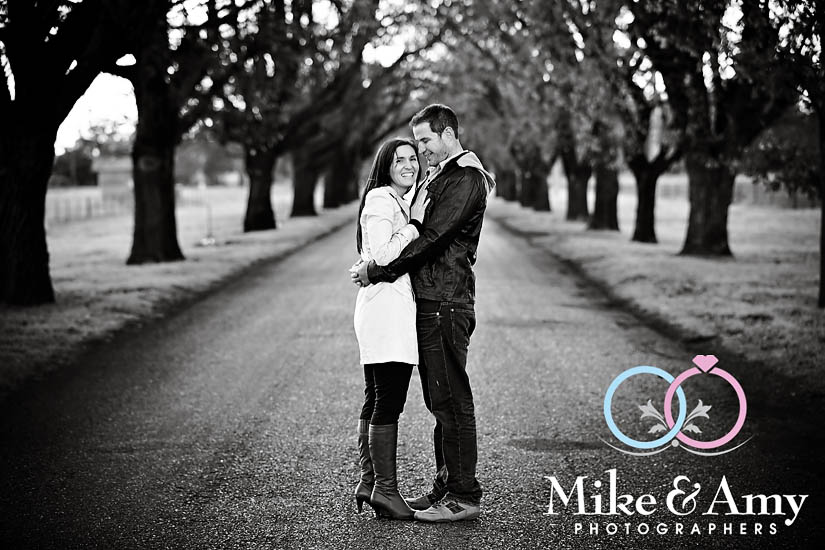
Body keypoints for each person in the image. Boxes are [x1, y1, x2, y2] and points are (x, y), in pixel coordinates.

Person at [351, 104, 495, 522]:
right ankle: (445, 486)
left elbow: (432, 237)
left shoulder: (465, 178)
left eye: (426, 141)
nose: (422, 150)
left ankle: (463, 496)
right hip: (430, 300)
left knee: (451, 399)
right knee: (439, 401)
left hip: (446, 301)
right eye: (417, 143)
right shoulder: (443, 175)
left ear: (448, 134)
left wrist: (378, 270)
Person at [352, 138, 428, 520]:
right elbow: (382, 255)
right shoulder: (382, 199)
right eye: (399, 160)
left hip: (382, 307)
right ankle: (385, 489)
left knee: (376, 395)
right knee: (389, 400)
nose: (409, 165)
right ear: (385, 166)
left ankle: (369, 481)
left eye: (413, 158)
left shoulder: (394, 199)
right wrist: (414, 226)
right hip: (386, 311)